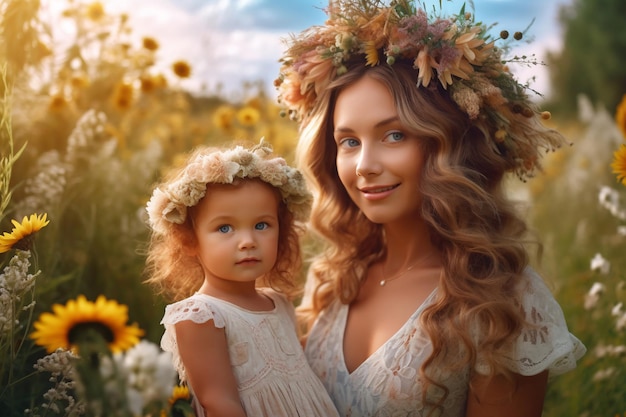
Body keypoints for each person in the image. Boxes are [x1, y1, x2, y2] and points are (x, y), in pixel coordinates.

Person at [274, 1, 586, 416]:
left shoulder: (502, 303)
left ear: (448, 145)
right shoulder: (329, 281)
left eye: (395, 135)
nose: (365, 165)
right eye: (349, 141)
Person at [144, 141, 339, 417]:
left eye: (262, 225)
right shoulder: (201, 316)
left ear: (281, 231)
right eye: (225, 228)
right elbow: (219, 403)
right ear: (189, 240)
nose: (247, 241)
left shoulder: (278, 302)